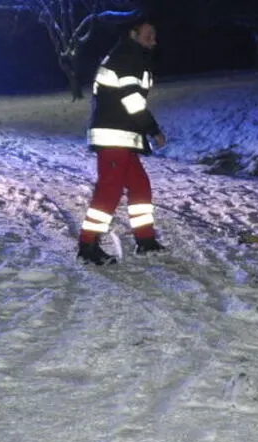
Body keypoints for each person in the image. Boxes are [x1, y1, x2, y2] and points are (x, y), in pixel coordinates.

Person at [77, 16, 168, 265]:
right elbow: (133, 102)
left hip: (121, 135)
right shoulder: (127, 58)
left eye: (154, 36)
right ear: (133, 34)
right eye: (149, 35)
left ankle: (145, 240)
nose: (154, 41)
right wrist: (153, 130)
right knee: (110, 190)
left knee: (140, 185)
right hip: (113, 135)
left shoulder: (130, 55)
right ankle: (88, 245)